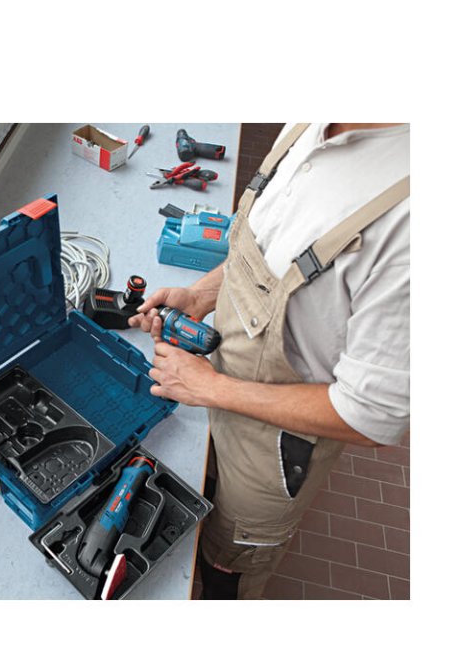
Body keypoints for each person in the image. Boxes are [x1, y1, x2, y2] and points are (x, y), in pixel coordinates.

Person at [129, 123, 410, 599]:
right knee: (203, 495)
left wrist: (210, 388)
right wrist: (201, 295)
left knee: (226, 563)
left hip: (271, 453)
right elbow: (264, 249)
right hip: (219, 387)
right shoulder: (311, 123)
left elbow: (370, 417)